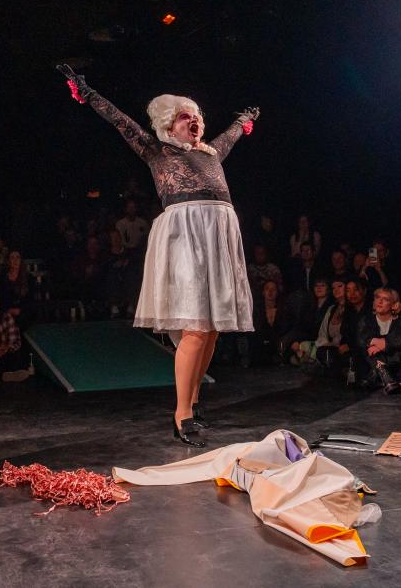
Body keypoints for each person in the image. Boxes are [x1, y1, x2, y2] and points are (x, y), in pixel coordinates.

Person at [60, 65, 258, 448]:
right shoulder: (157, 150)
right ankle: (181, 414)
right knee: (196, 327)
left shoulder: (211, 152)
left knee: (212, 329)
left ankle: (194, 401)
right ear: (170, 124)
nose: (194, 122)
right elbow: (120, 121)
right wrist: (87, 93)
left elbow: (231, 135)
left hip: (218, 233)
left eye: (196, 117)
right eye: (185, 117)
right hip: (186, 234)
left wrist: (242, 121)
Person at [354, 288, 401, 394]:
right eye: (377, 297)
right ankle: (384, 375)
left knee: (397, 351)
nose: (380, 301)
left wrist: (385, 343)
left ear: (394, 305)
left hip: (396, 362)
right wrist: (373, 341)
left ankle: (375, 376)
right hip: (372, 360)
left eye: (385, 299)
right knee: (368, 351)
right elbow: (361, 339)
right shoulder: (366, 319)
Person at [243, 279, 294, 366]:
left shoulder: (284, 310)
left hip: (277, 345)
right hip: (260, 346)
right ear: (263, 292)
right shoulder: (256, 310)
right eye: (267, 289)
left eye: (273, 289)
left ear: (277, 293)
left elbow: (286, 328)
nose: (270, 292)